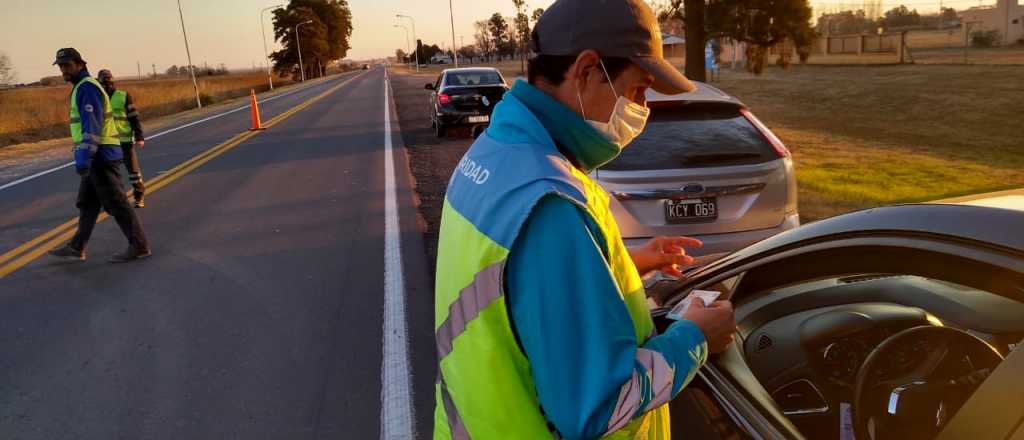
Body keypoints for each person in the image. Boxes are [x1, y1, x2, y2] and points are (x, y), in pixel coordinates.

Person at [432, 0, 738, 438]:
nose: (642, 108)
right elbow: (598, 407)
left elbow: (516, 291)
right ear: (588, 70)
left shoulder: (493, 155)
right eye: (638, 90)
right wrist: (695, 338)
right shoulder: (550, 202)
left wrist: (621, 264)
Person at [48, 48, 151, 263]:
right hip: (97, 154)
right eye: (60, 66)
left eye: (67, 65)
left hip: (100, 156)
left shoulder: (86, 88)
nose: (63, 70)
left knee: (117, 203)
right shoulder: (81, 87)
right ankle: (77, 247)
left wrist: (84, 158)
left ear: (80, 64)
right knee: (87, 202)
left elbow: (91, 125)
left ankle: (139, 245)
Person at [97, 69, 147, 208]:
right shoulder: (98, 98)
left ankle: (139, 195)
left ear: (113, 82)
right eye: (104, 83)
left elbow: (133, 117)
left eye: (109, 82)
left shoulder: (123, 96)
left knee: (133, 172)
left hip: (124, 141)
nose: (107, 85)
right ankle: (114, 200)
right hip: (107, 142)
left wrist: (139, 136)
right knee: (110, 174)